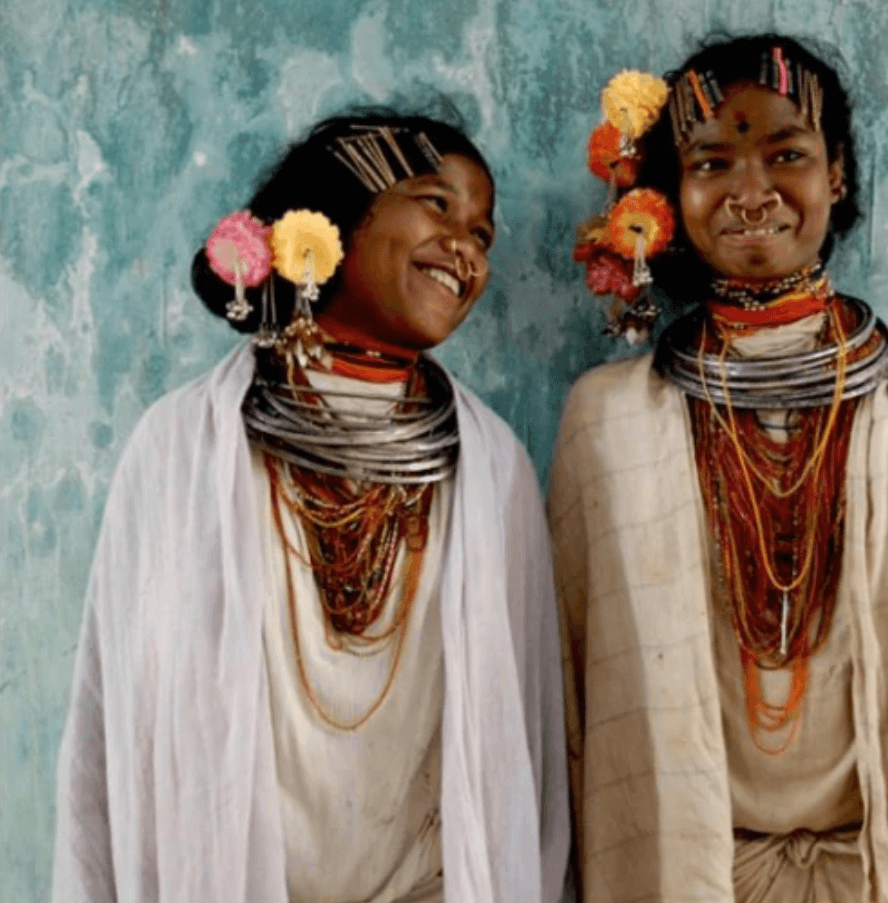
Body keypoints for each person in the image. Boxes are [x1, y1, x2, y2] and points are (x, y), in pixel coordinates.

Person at [549, 35, 888, 903]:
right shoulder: (607, 422)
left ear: (839, 175)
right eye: (712, 162)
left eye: (786, 153)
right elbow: (569, 708)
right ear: (666, 197)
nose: (751, 193)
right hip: (683, 877)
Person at [52, 113, 569, 903]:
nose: (466, 248)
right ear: (331, 216)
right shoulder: (180, 451)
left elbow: (518, 758)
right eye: (436, 205)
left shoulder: (492, 466)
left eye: (483, 234)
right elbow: (115, 741)